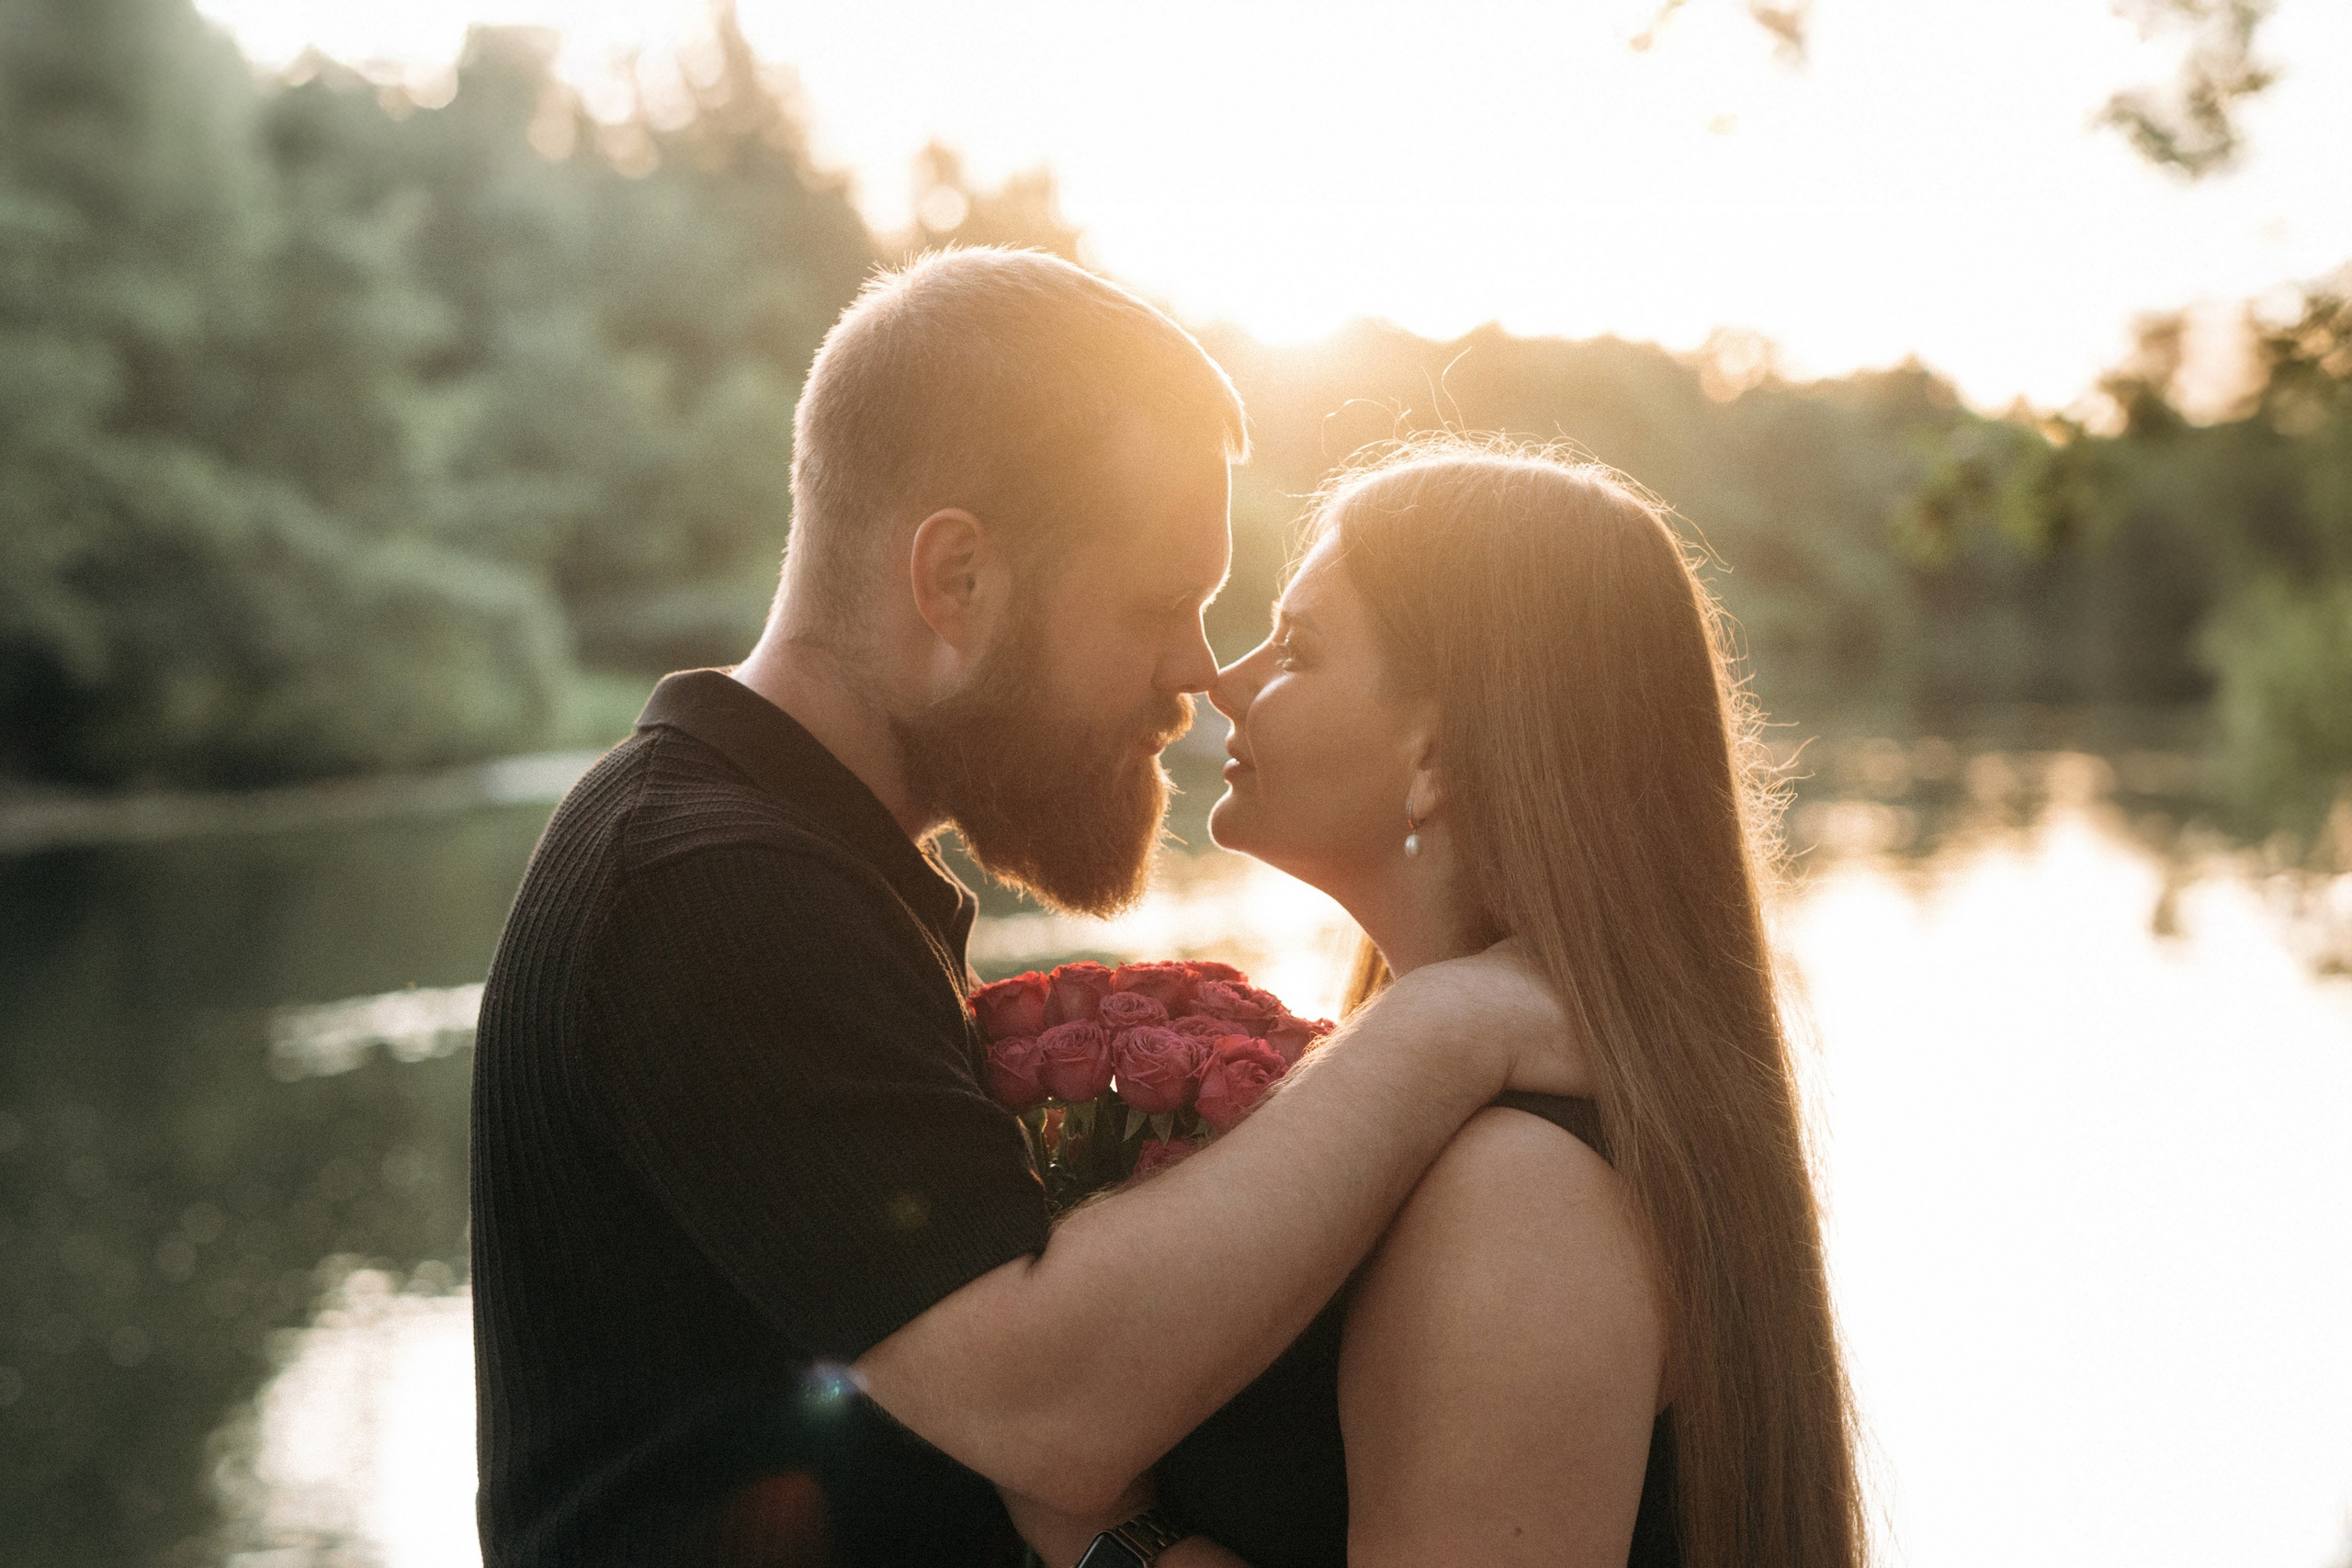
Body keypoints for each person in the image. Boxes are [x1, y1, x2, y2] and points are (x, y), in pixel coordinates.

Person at [469, 250, 1577, 1567]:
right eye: (1158, 606)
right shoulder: (711, 889)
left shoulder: (800, 865)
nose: (1199, 670)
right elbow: (1051, 1413)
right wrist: (1458, 1020)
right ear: (957, 580)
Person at [1006, 444, 1867, 1568]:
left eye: (1298, 647)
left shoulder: (1520, 1190)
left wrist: (1106, 1532)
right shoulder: (1455, 1094)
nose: (1225, 681)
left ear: (1437, 754)